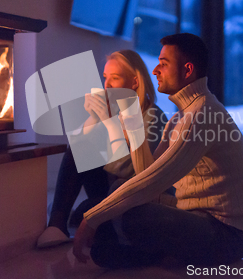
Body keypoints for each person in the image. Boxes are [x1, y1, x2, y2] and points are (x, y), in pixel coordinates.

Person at [73, 33, 243, 268]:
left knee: (131, 215)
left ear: (188, 70)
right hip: (195, 213)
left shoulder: (199, 116)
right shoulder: (181, 116)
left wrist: (92, 220)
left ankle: (145, 252)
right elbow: (145, 173)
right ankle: (132, 246)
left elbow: (152, 182)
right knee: (117, 192)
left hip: (227, 234)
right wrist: (132, 120)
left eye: (163, 64)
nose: (155, 71)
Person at [37, 50, 167, 248]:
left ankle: (73, 213)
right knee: (81, 144)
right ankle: (57, 223)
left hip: (132, 194)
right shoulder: (115, 110)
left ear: (134, 82)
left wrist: (107, 122)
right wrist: (93, 117)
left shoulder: (152, 116)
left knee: (85, 211)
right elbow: (77, 151)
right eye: (105, 78)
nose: (106, 85)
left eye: (115, 78)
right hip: (110, 187)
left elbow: (128, 171)